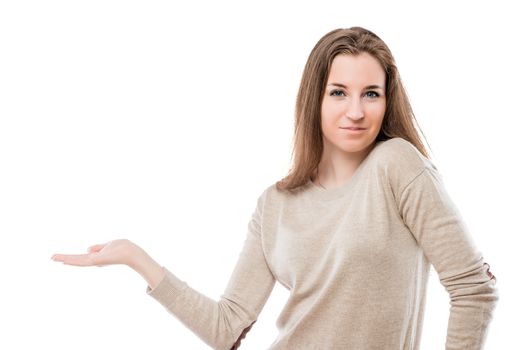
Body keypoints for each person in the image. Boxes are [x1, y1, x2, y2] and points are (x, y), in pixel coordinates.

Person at [51, 26, 499, 349]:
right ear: (315, 99)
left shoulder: (397, 164)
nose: (356, 111)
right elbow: (226, 328)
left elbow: (473, 290)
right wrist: (135, 257)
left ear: (387, 100)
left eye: (371, 94)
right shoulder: (276, 204)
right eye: (339, 92)